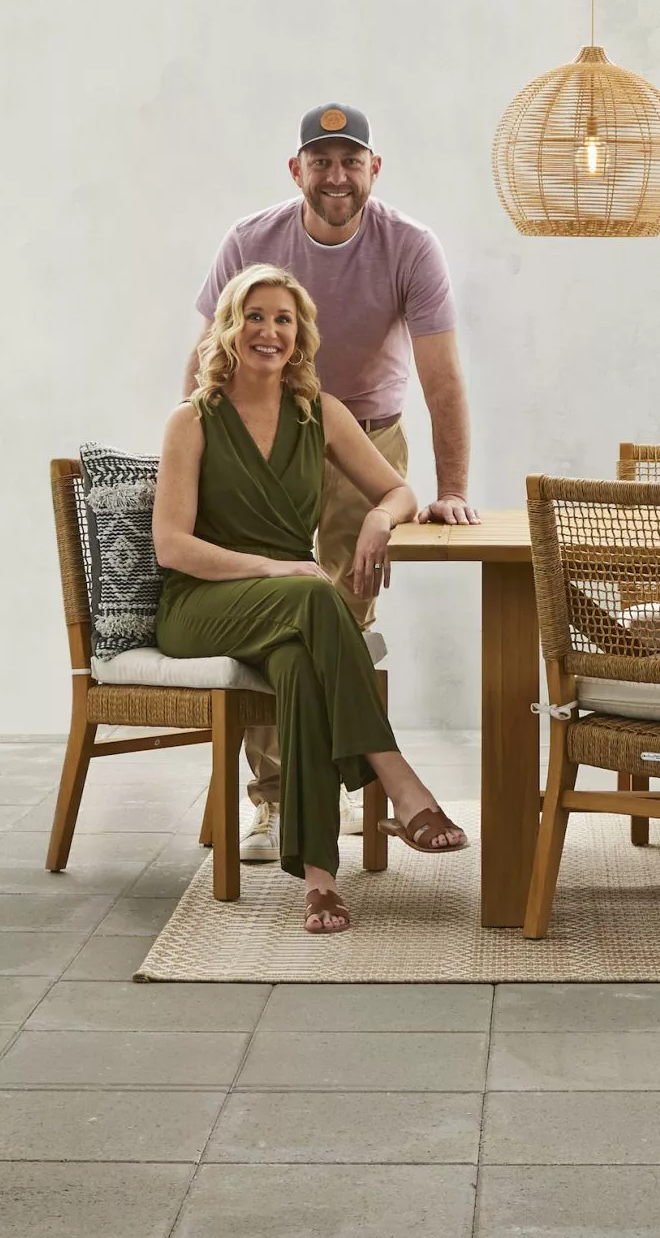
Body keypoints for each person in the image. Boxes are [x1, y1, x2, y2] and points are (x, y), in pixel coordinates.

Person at [187, 103, 478, 861]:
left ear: (374, 169)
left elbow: (441, 377)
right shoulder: (251, 240)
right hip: (259, 436)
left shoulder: (410, 245)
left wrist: (443, 489)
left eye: (352, 160)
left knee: (338, 608)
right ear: (297, 170)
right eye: (322, 161)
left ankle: (325, 785)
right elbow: (202, 357)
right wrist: (191, 453)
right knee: (274, 612)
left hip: (363, 437)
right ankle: (278, 804)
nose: (337, 175)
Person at [155, 265, 467, 933]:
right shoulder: (192, 420)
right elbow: (172, 547)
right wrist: (275, 568)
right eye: (254, 316)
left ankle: (320, 882)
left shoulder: (319, 413)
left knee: (300, 662)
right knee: (318, 595)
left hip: (286, 610)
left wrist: (382, 519)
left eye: (284, 319)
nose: (269, 330)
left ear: (299, 337)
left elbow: (399, 490)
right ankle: (396, 778)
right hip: (201, 606)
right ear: (228, 329)